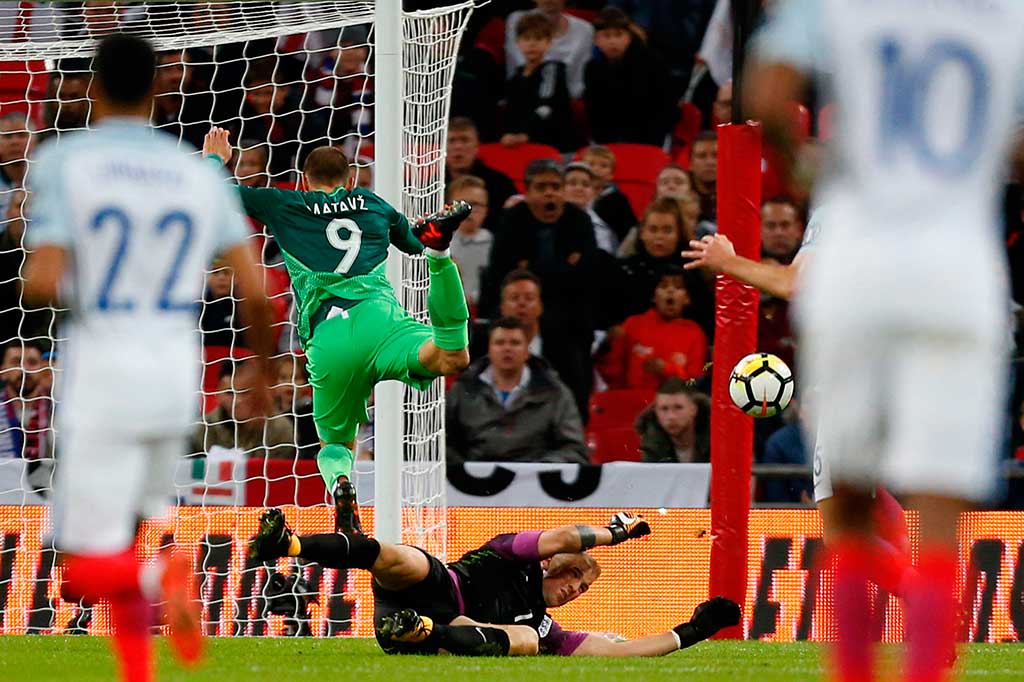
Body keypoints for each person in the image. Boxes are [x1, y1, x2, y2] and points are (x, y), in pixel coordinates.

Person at [20, 34, 277, 681]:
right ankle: (138, 670)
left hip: (103, 369)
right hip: (175, 374)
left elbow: (41, 279)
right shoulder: (195, 171)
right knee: (121, 539)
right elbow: (255, 289)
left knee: (84, 566)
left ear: (94, 87)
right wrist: (265, 376)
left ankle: (164, 573)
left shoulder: (65, 160)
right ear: (161, 87)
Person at [203, 126, 472, 534]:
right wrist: (428, 245)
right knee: (452, 354)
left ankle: (342, 487)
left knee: (334, 444)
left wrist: (215, 160)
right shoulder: (372, 203)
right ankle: (444, 258)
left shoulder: (285, 203)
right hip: (382, 323)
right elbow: (414, 243)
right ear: (349, 180)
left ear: (304, 180)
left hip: (329, 338)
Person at [248, 506, 741, 656]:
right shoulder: (513, 551)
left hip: (434, 628)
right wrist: (613, 532)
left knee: (527, 639)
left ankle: (419, 633)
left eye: (583, 589)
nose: (574, 589)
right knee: (405, 559)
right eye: (573, 575)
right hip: (437, 590)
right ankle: (289, 545)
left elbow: (614, 651)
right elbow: (566, 534)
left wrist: (691, 631)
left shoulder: (543, 624)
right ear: (553, 563)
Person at [483, 159, 597, 418]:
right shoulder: (512, 220)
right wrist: (563, 269)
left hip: (570, 321)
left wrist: (532, 267)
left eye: (556, 187)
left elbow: (586, 277)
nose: (550, 193)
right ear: (528, 191)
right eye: (542, 187)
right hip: (514, 316)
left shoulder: (579, 220)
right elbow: (501, 274)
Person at [446, 316, 587, 465]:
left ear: (527, 351)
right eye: (500, 343)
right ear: (489, 350)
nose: (507, 349)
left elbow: (575, 449)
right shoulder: (462, 390)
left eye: (515, 343)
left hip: (535, 480)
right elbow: (440, 444)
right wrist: (463, 471)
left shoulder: (555, 392)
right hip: (472, 481)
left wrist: (539, 470)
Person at [597, 266, 708, 390]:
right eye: (663, 286)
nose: (670, 291)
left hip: (674, 405)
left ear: (687, 299)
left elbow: (695, 382)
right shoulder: (633, 324)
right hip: (632, 401)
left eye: (678, 287)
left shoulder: (695, 332)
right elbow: (610, 373)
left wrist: (666, 369)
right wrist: (608, 344)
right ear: (653, 296)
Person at [583, 7, 675, 146]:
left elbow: (665, 106)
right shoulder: (593, 68)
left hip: (649, 136)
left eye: (618, 35)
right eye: (606, 36)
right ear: (596, 40)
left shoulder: (652, 62)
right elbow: (595, 111)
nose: (613, 41)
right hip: (607, 139)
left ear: (629, 37)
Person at [190, 360, 296, 459]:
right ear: (218, 394)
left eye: (245, 392)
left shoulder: (280, 429)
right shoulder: (203, 429)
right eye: (229, 393)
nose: (237, 401)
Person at [502, 13, 577, 153]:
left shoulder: (553, 69)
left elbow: (545, 108)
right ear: (518, 42)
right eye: (526, 38)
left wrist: (525, 134)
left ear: (549, 42)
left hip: (556, 145)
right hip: (522, 144)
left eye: (538, 38)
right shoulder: (515, 77)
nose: (532, 44)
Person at [505, 1, 594, 99]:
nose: (549, 1)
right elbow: (522, 67)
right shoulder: (517, 21)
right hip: (523, 97)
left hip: (567, 101)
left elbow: (579, 81)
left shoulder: (585, 30)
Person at [444, 117, 517, 233]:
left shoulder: (500, 183)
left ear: (477, 146)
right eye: (451, 141)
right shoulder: (431, 187)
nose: (458, 147)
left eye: (465, 140)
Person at [635, 378, 711, 464]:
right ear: (656, 412)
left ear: (693, 410)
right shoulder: (651, 444)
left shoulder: (715, 439)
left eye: (678, 407)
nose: (671, 416)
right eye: (664, 409)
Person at [446, 175, 492, 309]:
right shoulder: (438, 245)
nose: (469, 211)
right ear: (449, 208)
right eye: (462, 204)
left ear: (486, 210)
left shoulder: (497, 247)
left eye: (476, 205)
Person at [581, 145, 636, 242]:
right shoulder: (575, 197)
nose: (596, 169)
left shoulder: (619, 200)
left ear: (611, 174)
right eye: (591, 164)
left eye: (604, 166)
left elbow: (630, 231)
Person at [564, 161, 618, 254]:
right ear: (560, 188)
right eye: (572, 183)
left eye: (586, 185)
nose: (579, 188)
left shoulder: (603, 231)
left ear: (593, 192)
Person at [760, 197, 804, 264]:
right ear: (759, 231)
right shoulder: (747, 263)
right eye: (770, 226)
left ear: (799, 229)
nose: (778, 233)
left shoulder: (816, 263)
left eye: (785, 225)